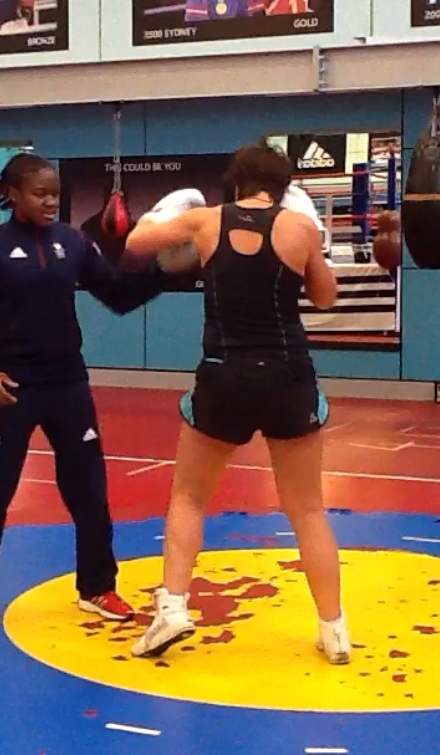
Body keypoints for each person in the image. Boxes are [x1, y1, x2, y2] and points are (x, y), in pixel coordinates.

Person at [123, 140, 352, 664]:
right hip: (287, 377)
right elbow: (325, 298)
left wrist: (168, 208)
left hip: (224, 375)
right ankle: (333, 629)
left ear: (236, 181)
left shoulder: (205, 221)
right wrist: (313, 249)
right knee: (309, 508)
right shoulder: (300, 229)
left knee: (188, 497)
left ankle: (174, 609)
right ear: (284, 186)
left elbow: (137, 242)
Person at [0, 152, 166, 626]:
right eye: (40, 194)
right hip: (13, 387)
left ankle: (98, 588)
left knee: (88, 491)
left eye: (55, 195)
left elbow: (119, 296)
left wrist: (167, 271)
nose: (49, 202)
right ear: (14, 195)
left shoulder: (74, 243)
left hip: (68, 384)